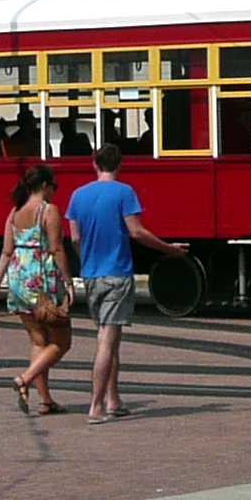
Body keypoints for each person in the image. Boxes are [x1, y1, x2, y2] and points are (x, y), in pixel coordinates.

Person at [62, 145, 188, 423]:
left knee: (110, 339)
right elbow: (136, 231)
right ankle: (96, 405)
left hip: (92, 273)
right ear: (119, 165)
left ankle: (114, 399)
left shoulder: (78, 196)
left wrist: (87, 259)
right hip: (117, 272)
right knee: (107, 342)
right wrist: (169, 249)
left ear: (94, 164)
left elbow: (73, 238)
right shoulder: (124, 192)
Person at [0, 163, 74, 414]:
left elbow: (6, 252)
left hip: (18, 279)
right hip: (42, 279)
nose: (54, 192)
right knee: (61, 342)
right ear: (45, 186)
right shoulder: (49, 211)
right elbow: (57, 248)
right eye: (54, 186)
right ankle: (24, 379)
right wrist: (69, 282)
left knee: (38, 340)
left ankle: (45, 401)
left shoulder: (14, 214)